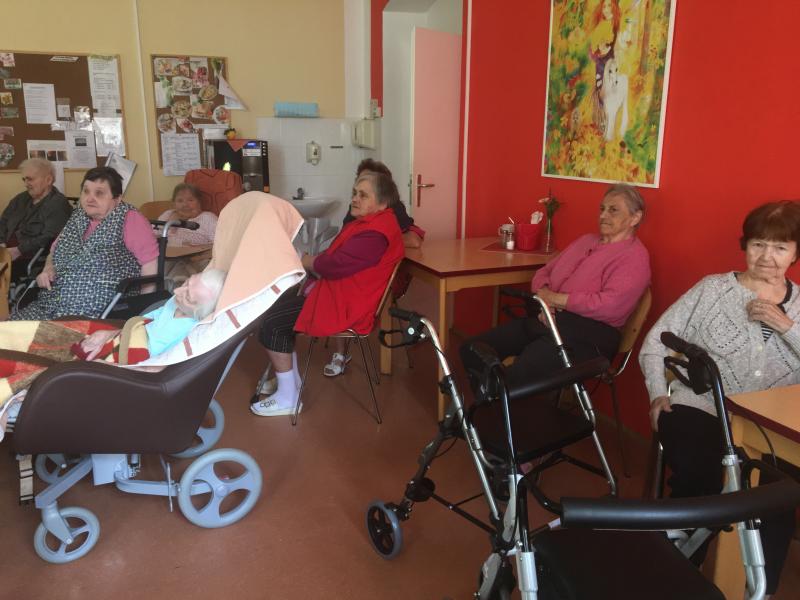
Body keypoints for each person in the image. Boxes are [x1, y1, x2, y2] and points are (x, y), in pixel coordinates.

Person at [639, 200, 800, 596]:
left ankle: (756, 589)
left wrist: (787, 327)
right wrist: (658, 393)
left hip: (767, 425)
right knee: (707, 475)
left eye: (780, 247)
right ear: (745, 246)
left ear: (795, 253)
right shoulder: (712, 289)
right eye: (758, 244)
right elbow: (655, 343)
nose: (767, 257)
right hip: (702, 406)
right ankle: (675, 570)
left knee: (779, 494)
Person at [460, 183, 650, 391]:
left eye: (613, 210)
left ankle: (495, 403)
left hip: (591, 336)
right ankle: (490, 399)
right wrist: (546, 301)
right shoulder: (586, 240)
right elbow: (544, 272)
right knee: (472, 349)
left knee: (515, 376)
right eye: (602, 209)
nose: (603, 215)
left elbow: (610, 306)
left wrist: (555, 299)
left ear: (635, 218)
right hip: (548, 317)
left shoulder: (634, 257)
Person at [251, 168, 405, 417]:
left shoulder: (375, 235)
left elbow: (334, 265)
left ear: (382, 203)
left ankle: (288, 397)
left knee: (273, 324)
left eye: (363, 195)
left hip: (346, 306)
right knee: (277, 307)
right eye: (355, 193)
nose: (354, 198)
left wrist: (304, 259)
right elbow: (338, 260)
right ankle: (290, 382)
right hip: (342, 296)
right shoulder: (372, 224)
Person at [0, 270, 226, 415]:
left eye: (188, 297)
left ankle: (15, 397)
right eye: (186, 283)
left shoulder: (192, 332)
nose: (177, 290)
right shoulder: (173, 303)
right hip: (122, 341)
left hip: (129, 366)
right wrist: (108, 334)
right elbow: (142, 322)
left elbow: (155, 370)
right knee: (52, 336)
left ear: (201, 312)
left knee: (56, 370)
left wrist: (104, 368)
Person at [10, 166, 159, 321]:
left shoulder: (130, 218)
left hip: (98, 311)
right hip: (51, 303)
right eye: (86, 191)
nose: (90, 198)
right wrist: (48, 269)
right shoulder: (78, 216)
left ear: (117, 199)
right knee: (10, 328)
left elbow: (149, 265)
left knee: (41, 335)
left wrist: (141, 313)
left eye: (99, 193)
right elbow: (54, 251)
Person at [322, 159, 424, 378]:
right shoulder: (355, 208)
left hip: (378, 277)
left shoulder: (393, 209)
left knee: (339, 289)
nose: (359, 191)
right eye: (359, 181)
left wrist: (381, 240)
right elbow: (344, 243)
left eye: (367, 182)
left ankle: (341, 348)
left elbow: (414, 239)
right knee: (337, 282)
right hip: (356, 271)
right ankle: (341, 351)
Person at [0, 158, 72, 281]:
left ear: (48, 180)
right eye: (24, 179)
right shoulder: (21, 199)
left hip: (28, 258)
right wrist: (1, 242)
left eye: (30, 179)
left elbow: (49, 237)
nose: (26, 184)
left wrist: (19, 250)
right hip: (4, 252)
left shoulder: (58, 204)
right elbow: (3, 221)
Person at [157, 183, 217, 289]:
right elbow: (151, 235)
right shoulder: (168, 215)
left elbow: (220, 245)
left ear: (199, 202)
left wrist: (200, 255)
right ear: (174, 204)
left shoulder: (208, 217)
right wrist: (172, 222)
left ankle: (176, 289)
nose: (185, 205)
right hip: (167, 258)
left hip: (197, 259)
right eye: (180, 201)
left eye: (190, 200)